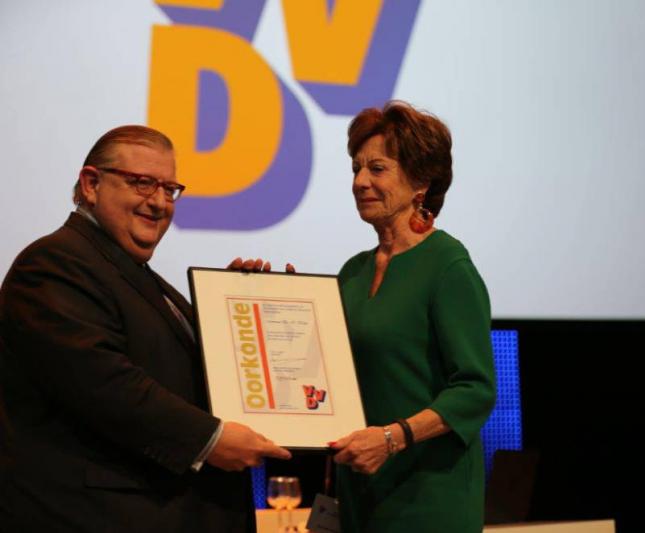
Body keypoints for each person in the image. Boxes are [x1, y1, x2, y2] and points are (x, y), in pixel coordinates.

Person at [0, 125, 290, 533]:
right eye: (141, 183)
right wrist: (209, 439)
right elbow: (104, 385)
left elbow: (170, 368)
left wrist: (236, 311)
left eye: (169, 189)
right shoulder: (54, 263)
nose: (158, 202)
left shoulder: (134, 274)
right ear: (91, 184)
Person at [330, 101, 497, 532]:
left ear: (421, 182)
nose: (359, 182)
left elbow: (475, 389)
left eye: (377, 169)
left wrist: (392, 438)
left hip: (429, 501)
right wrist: (263, 297)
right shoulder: (352, 272)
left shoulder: (447, 265)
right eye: (356, 168)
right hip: (360, 496)